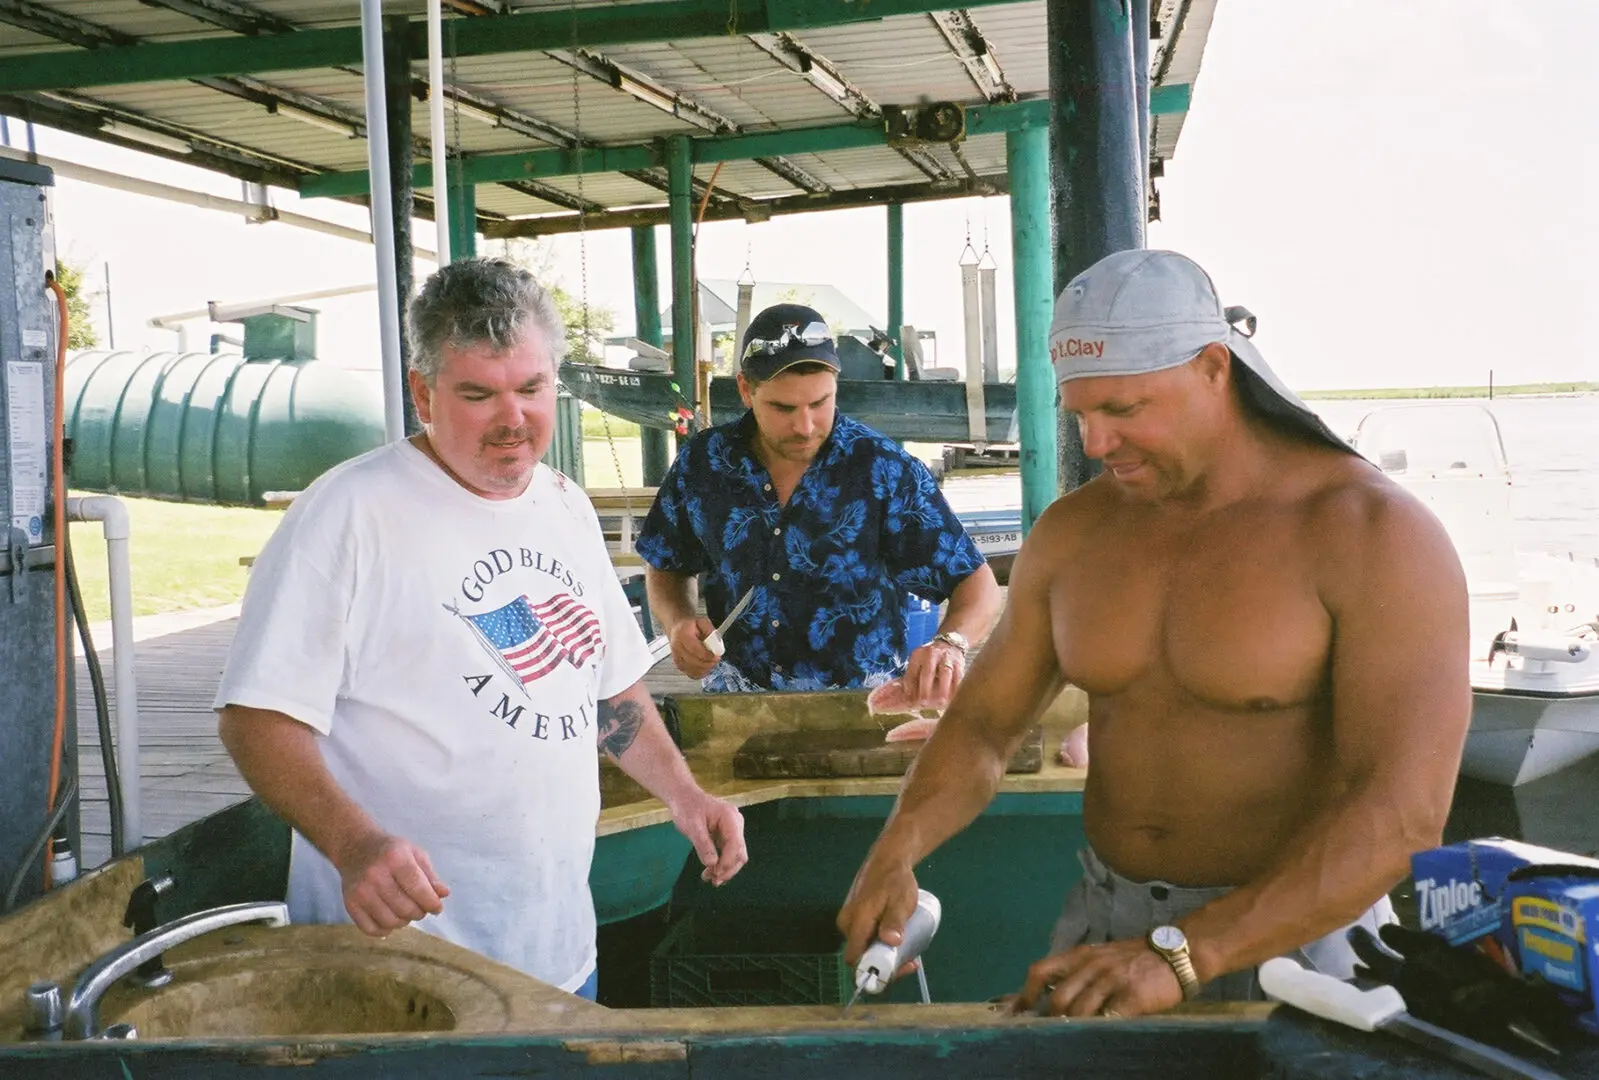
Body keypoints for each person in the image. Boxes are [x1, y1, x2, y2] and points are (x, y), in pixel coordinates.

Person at [837, 249, 1471, 1016]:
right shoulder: (1075, 532)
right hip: (1109, 926)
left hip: (1300, 944)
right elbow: (980, 725)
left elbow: (1400, 811)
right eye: (1082, 415)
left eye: (1126, 410)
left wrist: (1183, 954)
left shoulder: (1370, 532)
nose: (1097, 444)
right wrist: (895, 851)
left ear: (1212, 368)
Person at [214, 257, 747, 1000]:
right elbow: (255, 716)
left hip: (557, 953)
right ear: (422, 393)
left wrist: (686, 797)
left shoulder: (564, 505)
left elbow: (606, 692)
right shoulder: (347, 515)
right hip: (395, 967)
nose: (513, 419)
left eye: (531, 388)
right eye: (477, 394)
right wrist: (354, 843)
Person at [636, 303, 1002, 706]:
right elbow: (667, 562)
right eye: (783, 408)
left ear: (835, 386)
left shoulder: (884, 469)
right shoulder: (703, 462)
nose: (805, 426)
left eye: (820, 403)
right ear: (745, 390)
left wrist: (950, 643)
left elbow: (977, 584)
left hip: (864, 705)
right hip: (736, 703)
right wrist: (677, 622)